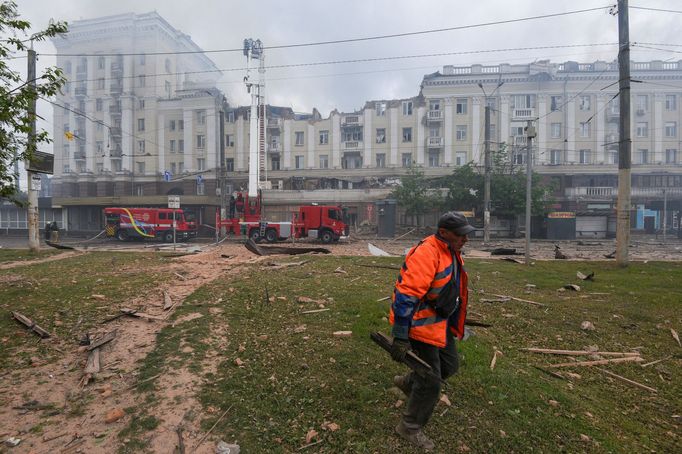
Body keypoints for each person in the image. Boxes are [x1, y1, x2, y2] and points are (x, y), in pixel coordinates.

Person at [389, 211, 475, 451]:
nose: (465, 240)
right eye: (460, 235)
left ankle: (408, 382)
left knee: (449, 367)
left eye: (466, 235)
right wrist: (400, 335)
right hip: (418, 325)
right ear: (444, 233)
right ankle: (409, 427)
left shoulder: (450, 251)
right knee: (431, 380)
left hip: (438, 323)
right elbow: (406, 296)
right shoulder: (428, 252)